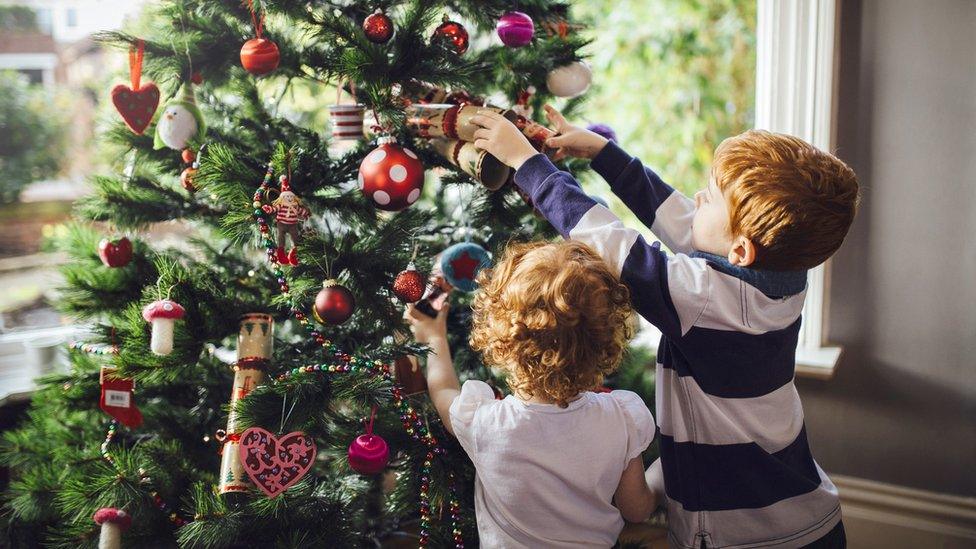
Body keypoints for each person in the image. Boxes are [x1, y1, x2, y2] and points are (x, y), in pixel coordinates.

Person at [467, 105, 858, 548]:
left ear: (742, 251)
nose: (695, 199)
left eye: (709, 198)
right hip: (805, 515)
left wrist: (527, 164)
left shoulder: (705, 301)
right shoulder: (779, 279)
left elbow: (611, 242)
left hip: (748, 534)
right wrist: (604, 154)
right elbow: (681, 220)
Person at [406, 239, 658, 548]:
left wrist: (434, 337)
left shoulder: (486, 422)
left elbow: (443, 389)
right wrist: (660, 477)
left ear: (504, 341)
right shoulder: (621, 418)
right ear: (603, 342)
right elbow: (636, 509)